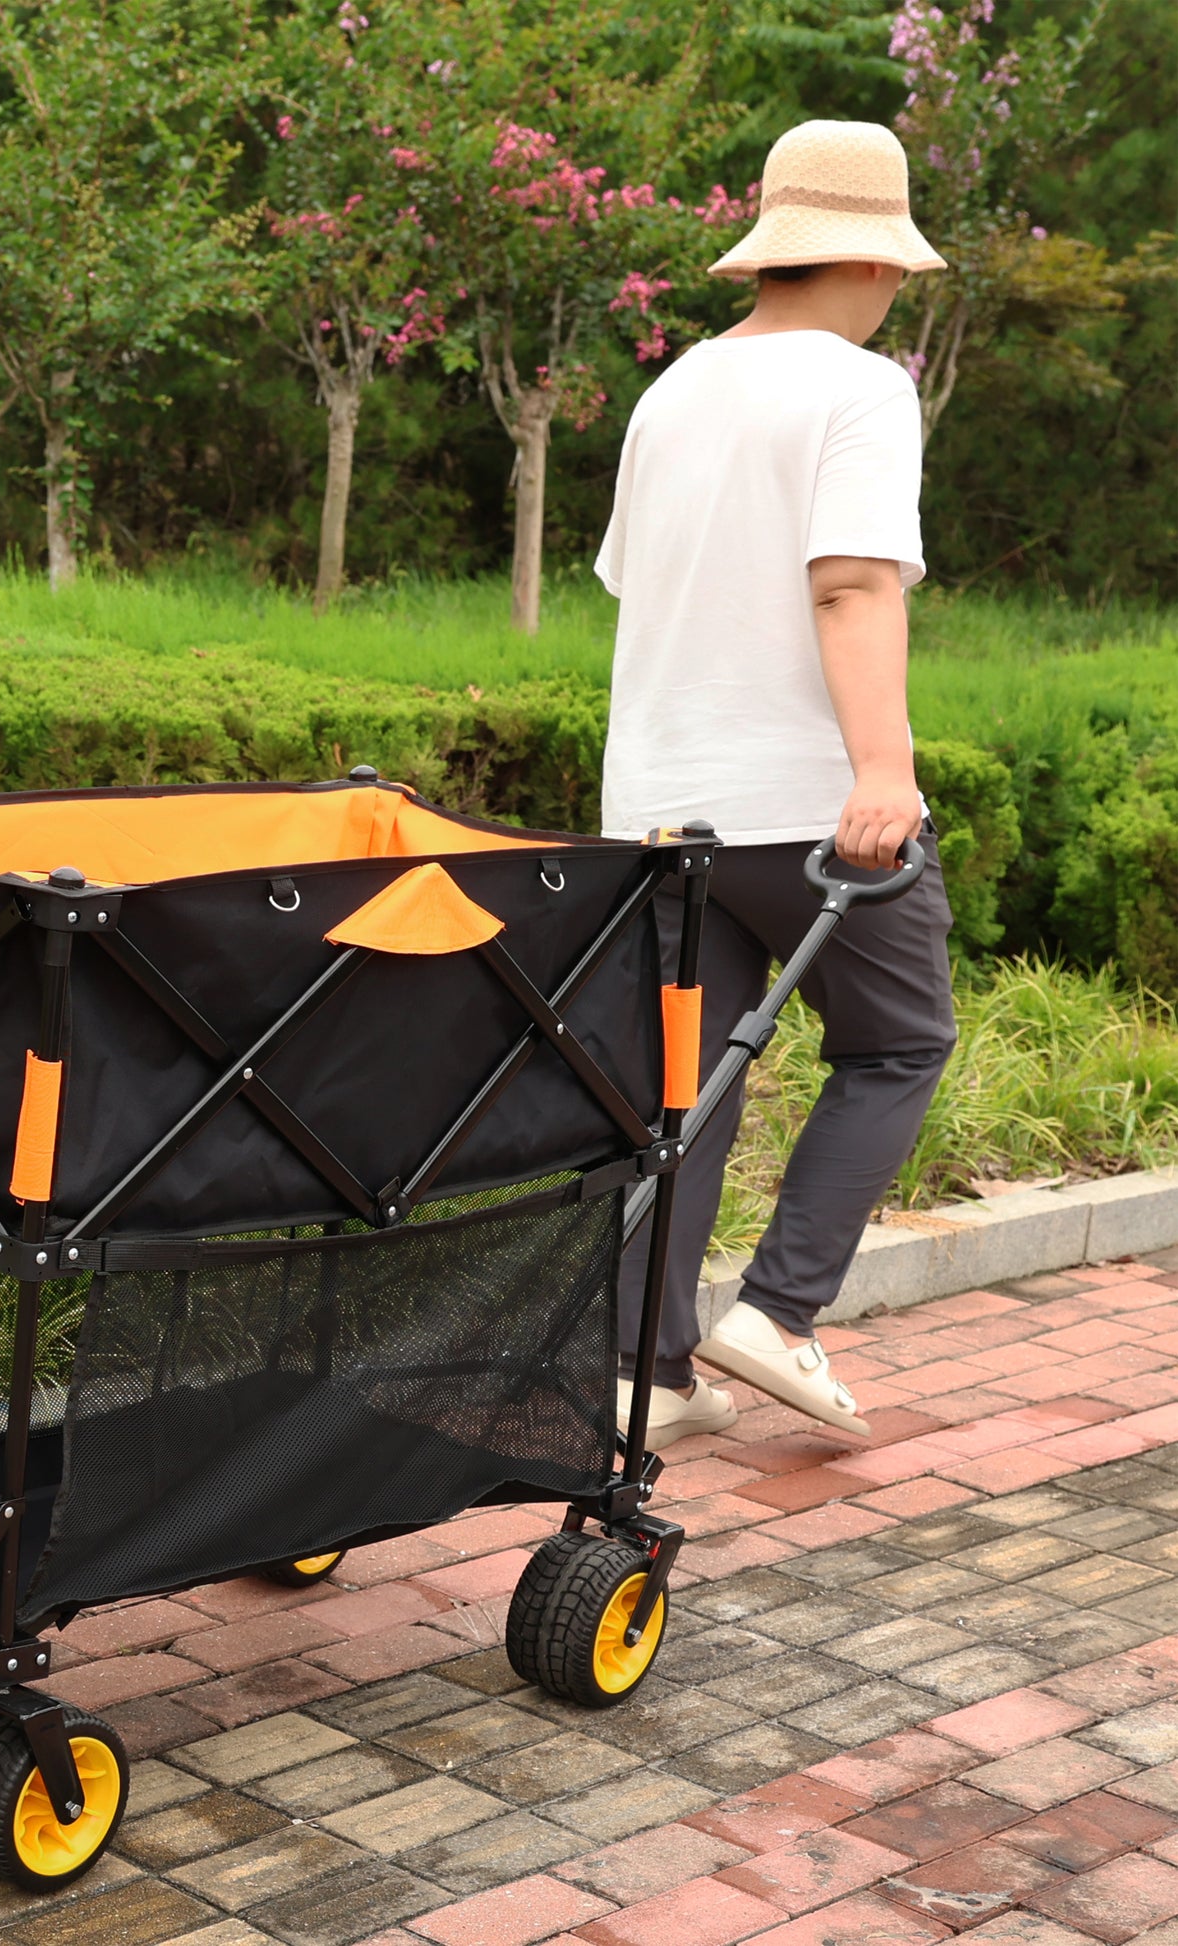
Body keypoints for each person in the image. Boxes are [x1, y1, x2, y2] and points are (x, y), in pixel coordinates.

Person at [594, 119, 958, 1446]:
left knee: (685, 1084)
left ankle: (652, 1366)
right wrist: (883, 768)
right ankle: (778, 1311)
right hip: (812, 809)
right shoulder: (858, 391)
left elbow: (642, 588)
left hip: (655, 810)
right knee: (901, 1040)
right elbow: (850, 577)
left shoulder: (672, 390)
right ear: (872, 259)